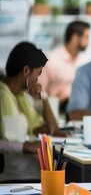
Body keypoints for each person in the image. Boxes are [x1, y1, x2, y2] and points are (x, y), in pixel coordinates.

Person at [0, 42, 65, 182]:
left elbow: (54, 128)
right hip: (15, 177)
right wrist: (25, 146)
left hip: (32, 171)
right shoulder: (2, 96)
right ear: (26, 71)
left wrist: (44, 96)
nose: (38, 79)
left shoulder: (20, 96)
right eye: (38, 73)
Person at [38, 21, 90, 113]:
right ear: (75, 38)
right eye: (86, 37)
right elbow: (39, 91)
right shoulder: (51, 60)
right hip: (56, 110)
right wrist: (56, 99)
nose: (88, 42)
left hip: (81, 111)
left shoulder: (84, 63)